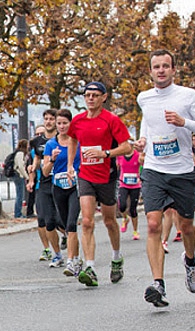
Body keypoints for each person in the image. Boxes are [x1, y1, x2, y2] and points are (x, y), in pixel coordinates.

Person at [135, 49, 195, 307]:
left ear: (173, 69)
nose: (160, 70)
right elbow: (148, 122)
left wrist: (184, 122)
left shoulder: (187, 95)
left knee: (186, 226)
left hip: (181, 171)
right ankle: (159, 284)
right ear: (150, 71)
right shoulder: (144, 98)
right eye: (156, 66)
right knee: (154, 224)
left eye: (165, 66)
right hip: (155, 169)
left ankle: (189, 260)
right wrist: (143, 140)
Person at [67, 81, 131, 287]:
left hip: (107, 176)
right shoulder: (77, 121)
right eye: (87, 95)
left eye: (95, 95)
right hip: (85, 174)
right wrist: (70, 164)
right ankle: (91, 267)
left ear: (104, 97)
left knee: (110, 221)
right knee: (86, 221)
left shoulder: (111, 120)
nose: (90, 98)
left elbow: (127, 147)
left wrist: (106, 153)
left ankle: (116, 257)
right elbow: (72, 140)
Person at [42, 109, 83, 277]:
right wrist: (52, 159)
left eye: (65, 123)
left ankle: (70, 261)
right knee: (66, 225)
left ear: (70, 124)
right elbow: (45, 172)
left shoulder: (78, 142)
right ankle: (77, 258)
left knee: (72, 224)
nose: (61, 126)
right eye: (59, 123)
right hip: (58, 187)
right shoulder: (51, 144)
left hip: (75, 186)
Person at [27, 109, 64, 267]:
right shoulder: (37, 142)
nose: (48, 122)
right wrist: (32, 171)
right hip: (43, 183)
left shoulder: (63, 139)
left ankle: (70, 244)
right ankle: (56, 254)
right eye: (46, 119)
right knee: (46, 220)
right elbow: (36, 157)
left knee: (61, 221)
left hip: (61, 183)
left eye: (51, 119)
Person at [116, 142, 142, 240]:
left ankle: (135, 231)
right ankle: (125, 218)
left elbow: (143, 165)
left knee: (133, 209)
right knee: (121, 205)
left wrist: (141, 177)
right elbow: (117, 167)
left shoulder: (137, 155)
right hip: (124, 183)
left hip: (135, 185)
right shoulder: (120, 156)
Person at [26, 125, 46, 218]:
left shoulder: (54, 144)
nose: (39, 136)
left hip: (55, 184)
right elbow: (31, 167)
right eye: (37, 134)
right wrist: (31, 181)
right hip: (39, 185)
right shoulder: (33, 151)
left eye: (41, 134)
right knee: (42, 219)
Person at [13, 139, 29, 218]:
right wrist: (27, 176)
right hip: (18, 175)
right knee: (20, 195)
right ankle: (18, 213)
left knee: (19, 194)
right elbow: (21, 167)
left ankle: (18, 212)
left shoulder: (18, 152)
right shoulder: (20, 154)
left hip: (17, 175)